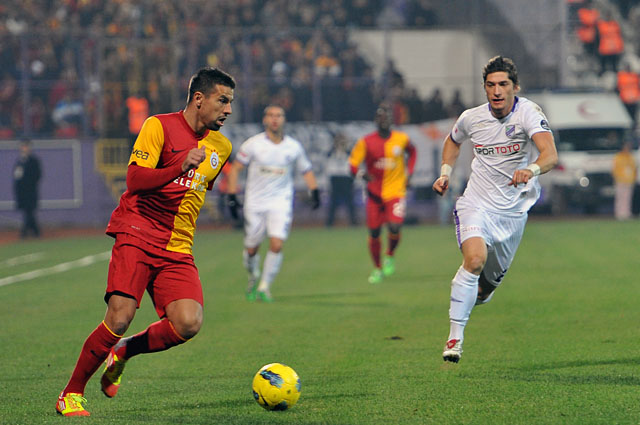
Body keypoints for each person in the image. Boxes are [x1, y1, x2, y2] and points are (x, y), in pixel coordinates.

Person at [55, 67, 236, 416]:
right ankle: (71, 393)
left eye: (230, 103)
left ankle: (125, 350)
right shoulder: (159, 126)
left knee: (188, 323)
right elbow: (135, 180)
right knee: (119, 316)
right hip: (138, 231)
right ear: (199, 99)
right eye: (223, 100)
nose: (228, 109)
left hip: (177, 246)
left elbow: (193, 194)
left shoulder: (221, 146)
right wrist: (179, 167)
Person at [432, 56, 558, 363]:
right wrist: (446, 173)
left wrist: (531, 169)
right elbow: (452, 141)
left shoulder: (528, 113)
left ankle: (471, 298)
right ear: (485, 88)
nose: (497, 91)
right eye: (490, 85)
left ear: (516, 87)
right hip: (476, 203)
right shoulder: (471, 118)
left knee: (484, 291)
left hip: (512, 214)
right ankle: (454, 339)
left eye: (503, 84)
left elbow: (550, 154)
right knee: (474, 260)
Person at [226, 105, 320, 302]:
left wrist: (314, 191)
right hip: (255, 203)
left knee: (276, 244)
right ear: (264, 120)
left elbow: (306, 170)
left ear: (284, 119)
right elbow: (235, 169)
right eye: (271, 115)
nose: (275, 119)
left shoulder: (293, 146)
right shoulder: (253, 144)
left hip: (280, 202)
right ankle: (253, 276)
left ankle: (264, 287)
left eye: (279, 115)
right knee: (252, 248)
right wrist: (232, 196)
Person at [348, 103, 417, 284]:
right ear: (376, 120)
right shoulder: (366, 142)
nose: (384, 120)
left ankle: (390, 254)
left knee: (395, 227)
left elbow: (413, 152)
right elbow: (352, 165)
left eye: (387, 116)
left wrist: (409, 173)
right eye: (380, 117)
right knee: (374, 233)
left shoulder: (401, 138)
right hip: (374, 194)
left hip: (396, 192)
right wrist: (362, 174)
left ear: (392, 120)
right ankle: (377, 268)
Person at [325, 132, 357, 227]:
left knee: (350, 202)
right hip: (335, 178)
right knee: (333, 202)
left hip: (346, 178)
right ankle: (330, 223)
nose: (341, 142)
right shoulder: (332, 152)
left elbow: (353, 161)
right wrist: (336, 147)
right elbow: (328, 159)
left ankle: (353, 222)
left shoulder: (349, 152)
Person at [13, 139, 42, 238]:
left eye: (26, 146)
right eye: (22, 146)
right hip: (21, 192)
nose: (24, 148)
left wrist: (29, 184)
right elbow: (17, 177)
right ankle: (36, 231)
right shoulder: (19, 161)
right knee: (28, 212)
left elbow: (37, 175)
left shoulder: (34, 161)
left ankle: (24, 232)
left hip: (31, 191)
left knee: (29, 212)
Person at [612, 141, 637, 220]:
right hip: (620, 180)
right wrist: (617, 178)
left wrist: (634, 178)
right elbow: (615, 169)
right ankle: (619, 214)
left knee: (627, 198)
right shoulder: (618, 157)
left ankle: (626, 213)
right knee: (620, 197)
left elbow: (634, 169)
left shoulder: (630, 157)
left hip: (629, 180)